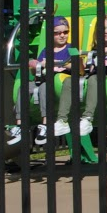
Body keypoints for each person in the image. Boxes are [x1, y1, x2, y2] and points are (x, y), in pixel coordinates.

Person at [9, 16, 73, 148]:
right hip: (43, 78)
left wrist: (57, 63)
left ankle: (46, 123)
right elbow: (36, 71)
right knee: (24, 88)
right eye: (57, 33)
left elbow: (79, 66)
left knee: (44, 86)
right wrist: (35, 65)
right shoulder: (46, 50)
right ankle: (20, 125)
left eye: (65, 32)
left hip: (59, 81)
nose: (62, 35)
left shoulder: (72, 48)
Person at [69, 15, 107, 140]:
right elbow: (88, 70)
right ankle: (85, 118)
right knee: (92, 78)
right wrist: (79, 60)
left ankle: (87, 116)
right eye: (102, 29)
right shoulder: (95, 50)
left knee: (95, 79)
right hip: (99, 77)